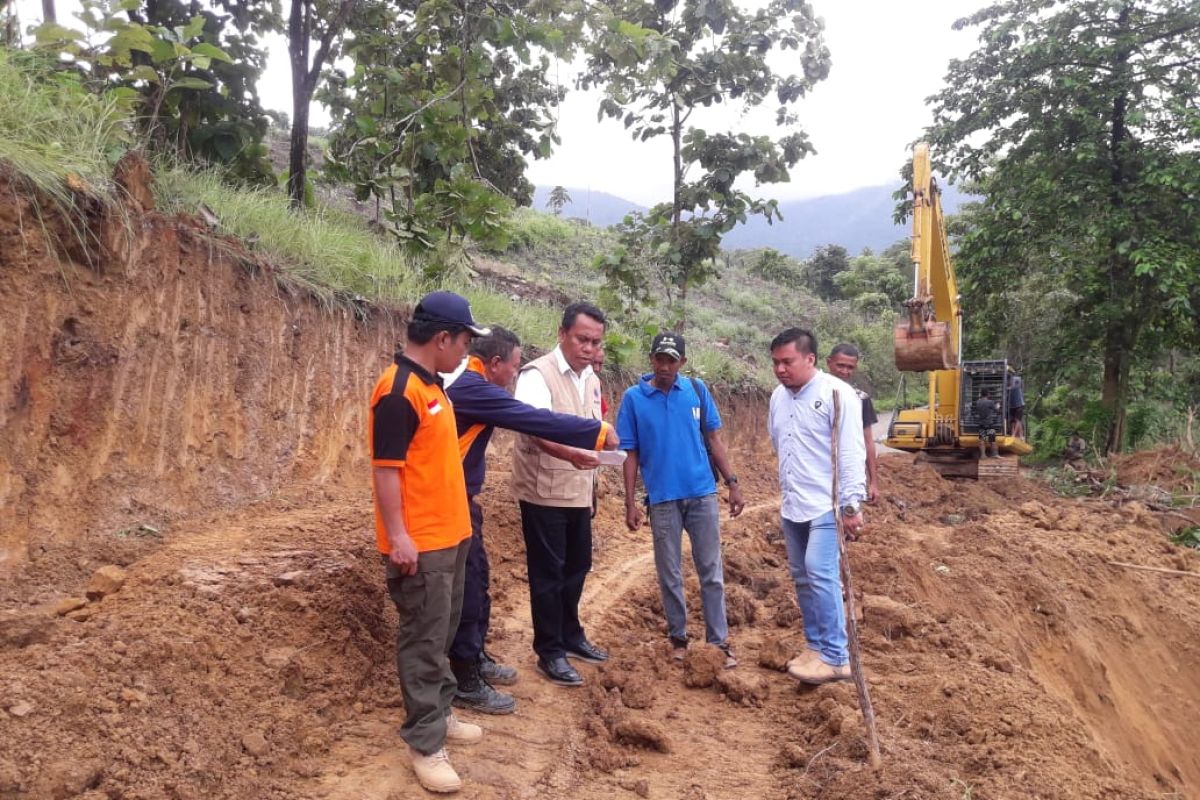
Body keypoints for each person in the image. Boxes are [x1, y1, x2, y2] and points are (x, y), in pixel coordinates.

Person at [445, 327, 619, 715]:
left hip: (461, 498)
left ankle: (475, 657)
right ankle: (465, 676)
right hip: (449, 500)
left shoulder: (474, 384)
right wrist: (598, 431)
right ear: (495, 364)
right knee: (469, 588)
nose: (515, 374)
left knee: (479, 580)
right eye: (513, 366)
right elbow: (532, 419)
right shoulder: (476, 388)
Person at [369, 291, 489, 794]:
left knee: (441, 632)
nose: (466, 351)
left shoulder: (432, 385)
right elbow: (386, 471)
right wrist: (399, 536)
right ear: (442, 338)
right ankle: (424, 741)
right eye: (464, 341)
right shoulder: (398, 392)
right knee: (423, 639)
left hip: (450, 537)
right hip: (422, 543)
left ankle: (440, 713)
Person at [618, 332, 744, 668]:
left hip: (702, 494)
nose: (664, 366)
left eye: (671, 360)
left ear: (682, 363)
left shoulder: (697, 391)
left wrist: (732, 483)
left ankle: (719, 642)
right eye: (660, 358)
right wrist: (630, 502)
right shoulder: (633, 399)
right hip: (661, 499)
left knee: (711, 571)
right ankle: (678, 637)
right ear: (651, 359)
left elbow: (715, 439)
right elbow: (629, 453)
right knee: (669, 572)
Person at [512, 302, 609, 687]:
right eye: (582, 339)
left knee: (578, 565)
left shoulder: (592, 379)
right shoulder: (537, 375)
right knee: (548, 574)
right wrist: (571, 453)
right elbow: (534, 430)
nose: (588, 348)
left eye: (595, 342)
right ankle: (549, 650)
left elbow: (592, 428)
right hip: (543, 490)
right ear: (562, 334)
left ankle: (571, 634)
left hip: (578, 490)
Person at [767, 328, 866, 685]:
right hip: (794, 501)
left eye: (787, 362)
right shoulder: (778, 397)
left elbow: (852, 451)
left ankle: (837, 656)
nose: (780, 369)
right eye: (776, 362)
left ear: (809, 359)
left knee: (820, 572)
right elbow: (779, 442)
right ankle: (816, 645)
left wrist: (851, 505)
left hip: (827, 502)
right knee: (801, 575)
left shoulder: (837, 394)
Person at [825, 343, 880, 503]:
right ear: (829, 363)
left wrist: (873, 482)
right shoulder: (813, 393)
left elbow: (867, 441)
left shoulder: (860, 399)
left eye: (850, 367)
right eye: (840, 365)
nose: (845, 371)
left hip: (846, 476)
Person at [973, 388, 1002, 459]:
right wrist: (998, 406)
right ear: (988, 394)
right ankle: (994, 454)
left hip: (981, 424)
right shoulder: (990, 402)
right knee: (992, 439)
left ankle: (983, 455)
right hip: (989, 423)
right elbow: (997, 411)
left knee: (982, 440)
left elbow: (976, 412)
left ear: (981, 394)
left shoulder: (978, 402)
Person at [1008, 373, 1025, 440]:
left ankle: (1014, 434)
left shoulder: (1016, 383)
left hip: (1019, 405)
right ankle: (1021, 435)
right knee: (1014, 420)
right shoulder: (1008, 387)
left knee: (1017, 420)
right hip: (1012, 405)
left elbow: (1017, 381)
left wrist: (1012, 379)